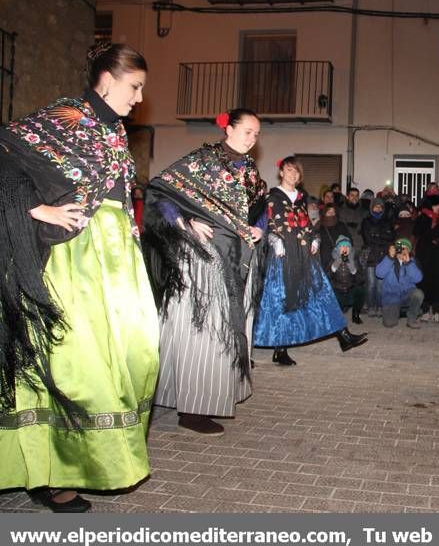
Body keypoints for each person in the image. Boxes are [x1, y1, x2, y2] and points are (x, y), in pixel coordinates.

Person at [0, 43, 158, 512]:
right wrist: (37, 208)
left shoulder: (115, 132)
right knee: (76, 360)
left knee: (136, 348)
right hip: (77, 256)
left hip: (117, 256)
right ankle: (51, 473)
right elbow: (7, 154)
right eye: (135, 87)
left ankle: (92, 454)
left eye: (142, 89)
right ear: (106, 79)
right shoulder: (66, 115)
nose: (139, 97)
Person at [143, 108, 267, 436]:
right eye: (247, 132)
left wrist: (259, 230)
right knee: (202, 331)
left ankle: (202, 396)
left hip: (238, 257)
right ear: (228, 129)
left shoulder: (252, 172)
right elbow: (161, 192)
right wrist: (187, 222)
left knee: (226, 329)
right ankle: (193, 409)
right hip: (205, 258)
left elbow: (259, 211)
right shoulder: (203, 161)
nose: (252, 139)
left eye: (257, 134)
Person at [253, 157, 367, 365]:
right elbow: (268, 224)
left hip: (304, 254)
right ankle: (280, 349)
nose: (293, 175)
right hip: (283, 255)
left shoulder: (301, 197)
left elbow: (306, 224)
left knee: (322, 292)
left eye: (296, 172)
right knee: (282, 301)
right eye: (289, 170)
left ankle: (343, 336)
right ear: (281, 173)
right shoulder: (272, 197)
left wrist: (315, 238)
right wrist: (275, 241)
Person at [414, 194, 439, 322]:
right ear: (430, 205)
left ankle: (436, 310)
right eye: (437, 205)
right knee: (424, 281)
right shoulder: (421, 218)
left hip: (438, 257)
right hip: (424, 256)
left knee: (438, 282)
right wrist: (433, 236)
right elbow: (418, 232)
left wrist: (437, 238)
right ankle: (424, 311)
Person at [375, 238, 424, 328]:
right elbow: (379, 274)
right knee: (389, 323)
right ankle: (400, 311)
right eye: (400, 249)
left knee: (418, 294)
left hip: (406, 295)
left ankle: (411, 319)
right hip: (391, 297)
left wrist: (408, 263)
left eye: (405, 249)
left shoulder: (412, 262)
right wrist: (389, 258)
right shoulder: (389, 260)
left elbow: (418, 279)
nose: (402, 252)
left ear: (409, 251)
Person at [361, 197, 396, 317]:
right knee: (371, 284)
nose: (378, 208)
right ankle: (371, 307)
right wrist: (381, 237)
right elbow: (367, 239)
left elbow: (391, 238)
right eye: (376, 206)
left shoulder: (387, 221)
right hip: (370, 255)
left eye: (380, 206)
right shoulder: (366, 221)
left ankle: (380, 306)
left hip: (383, 257)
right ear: (371, 207)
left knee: (381, 285)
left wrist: (377, 236)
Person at [327, 235, 366, 325]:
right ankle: (338, 312)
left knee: (361, 290)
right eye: (342, 246)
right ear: (337, 249)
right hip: (338, 290)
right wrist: (334, 266)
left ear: (350, 249)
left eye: (347, 246)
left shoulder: (355, 259)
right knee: (333, 300)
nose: (344, 249)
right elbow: (327, 278)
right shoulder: (332, 259)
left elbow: (361, 279)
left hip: (350, 289)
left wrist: (353, 270)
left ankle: (355, 315)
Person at [339, 186, 367, 255]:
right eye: (352, 195)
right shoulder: (341, 211)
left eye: (357, 195)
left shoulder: (364, 211)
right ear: (347, 196)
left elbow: (366, 229)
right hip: (347, 245)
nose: (355, 198)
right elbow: (341, 229)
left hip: (361, 246)